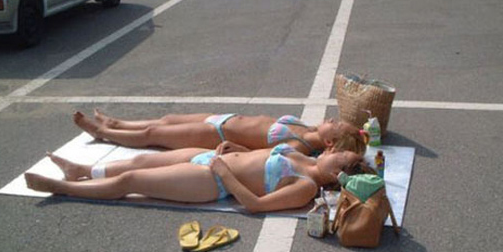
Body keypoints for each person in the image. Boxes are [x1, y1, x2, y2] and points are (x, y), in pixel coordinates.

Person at [25, 144, 373, 214]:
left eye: (339, 156)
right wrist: (234, 149)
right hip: (212, 158)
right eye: (337, 150)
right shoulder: (305, 156)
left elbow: (255, 205)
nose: (332, 151)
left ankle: (63, 187)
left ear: (337, 174)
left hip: (212, 180)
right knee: (142, 159)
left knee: (133, 179)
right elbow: (259, 156)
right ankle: (83, 170)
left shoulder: (306, 187)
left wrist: (224, 173)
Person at [73, 109, 368, 155]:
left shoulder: (299, 146)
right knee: (166, 120)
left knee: (154, 134)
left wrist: (236, 149)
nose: (332, 118)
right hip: (224, 118)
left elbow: (261, 156)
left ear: (329, 140)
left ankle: (105, 133)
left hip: (218, 135)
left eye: (335, 123)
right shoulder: (308, 127)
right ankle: (118, 124)